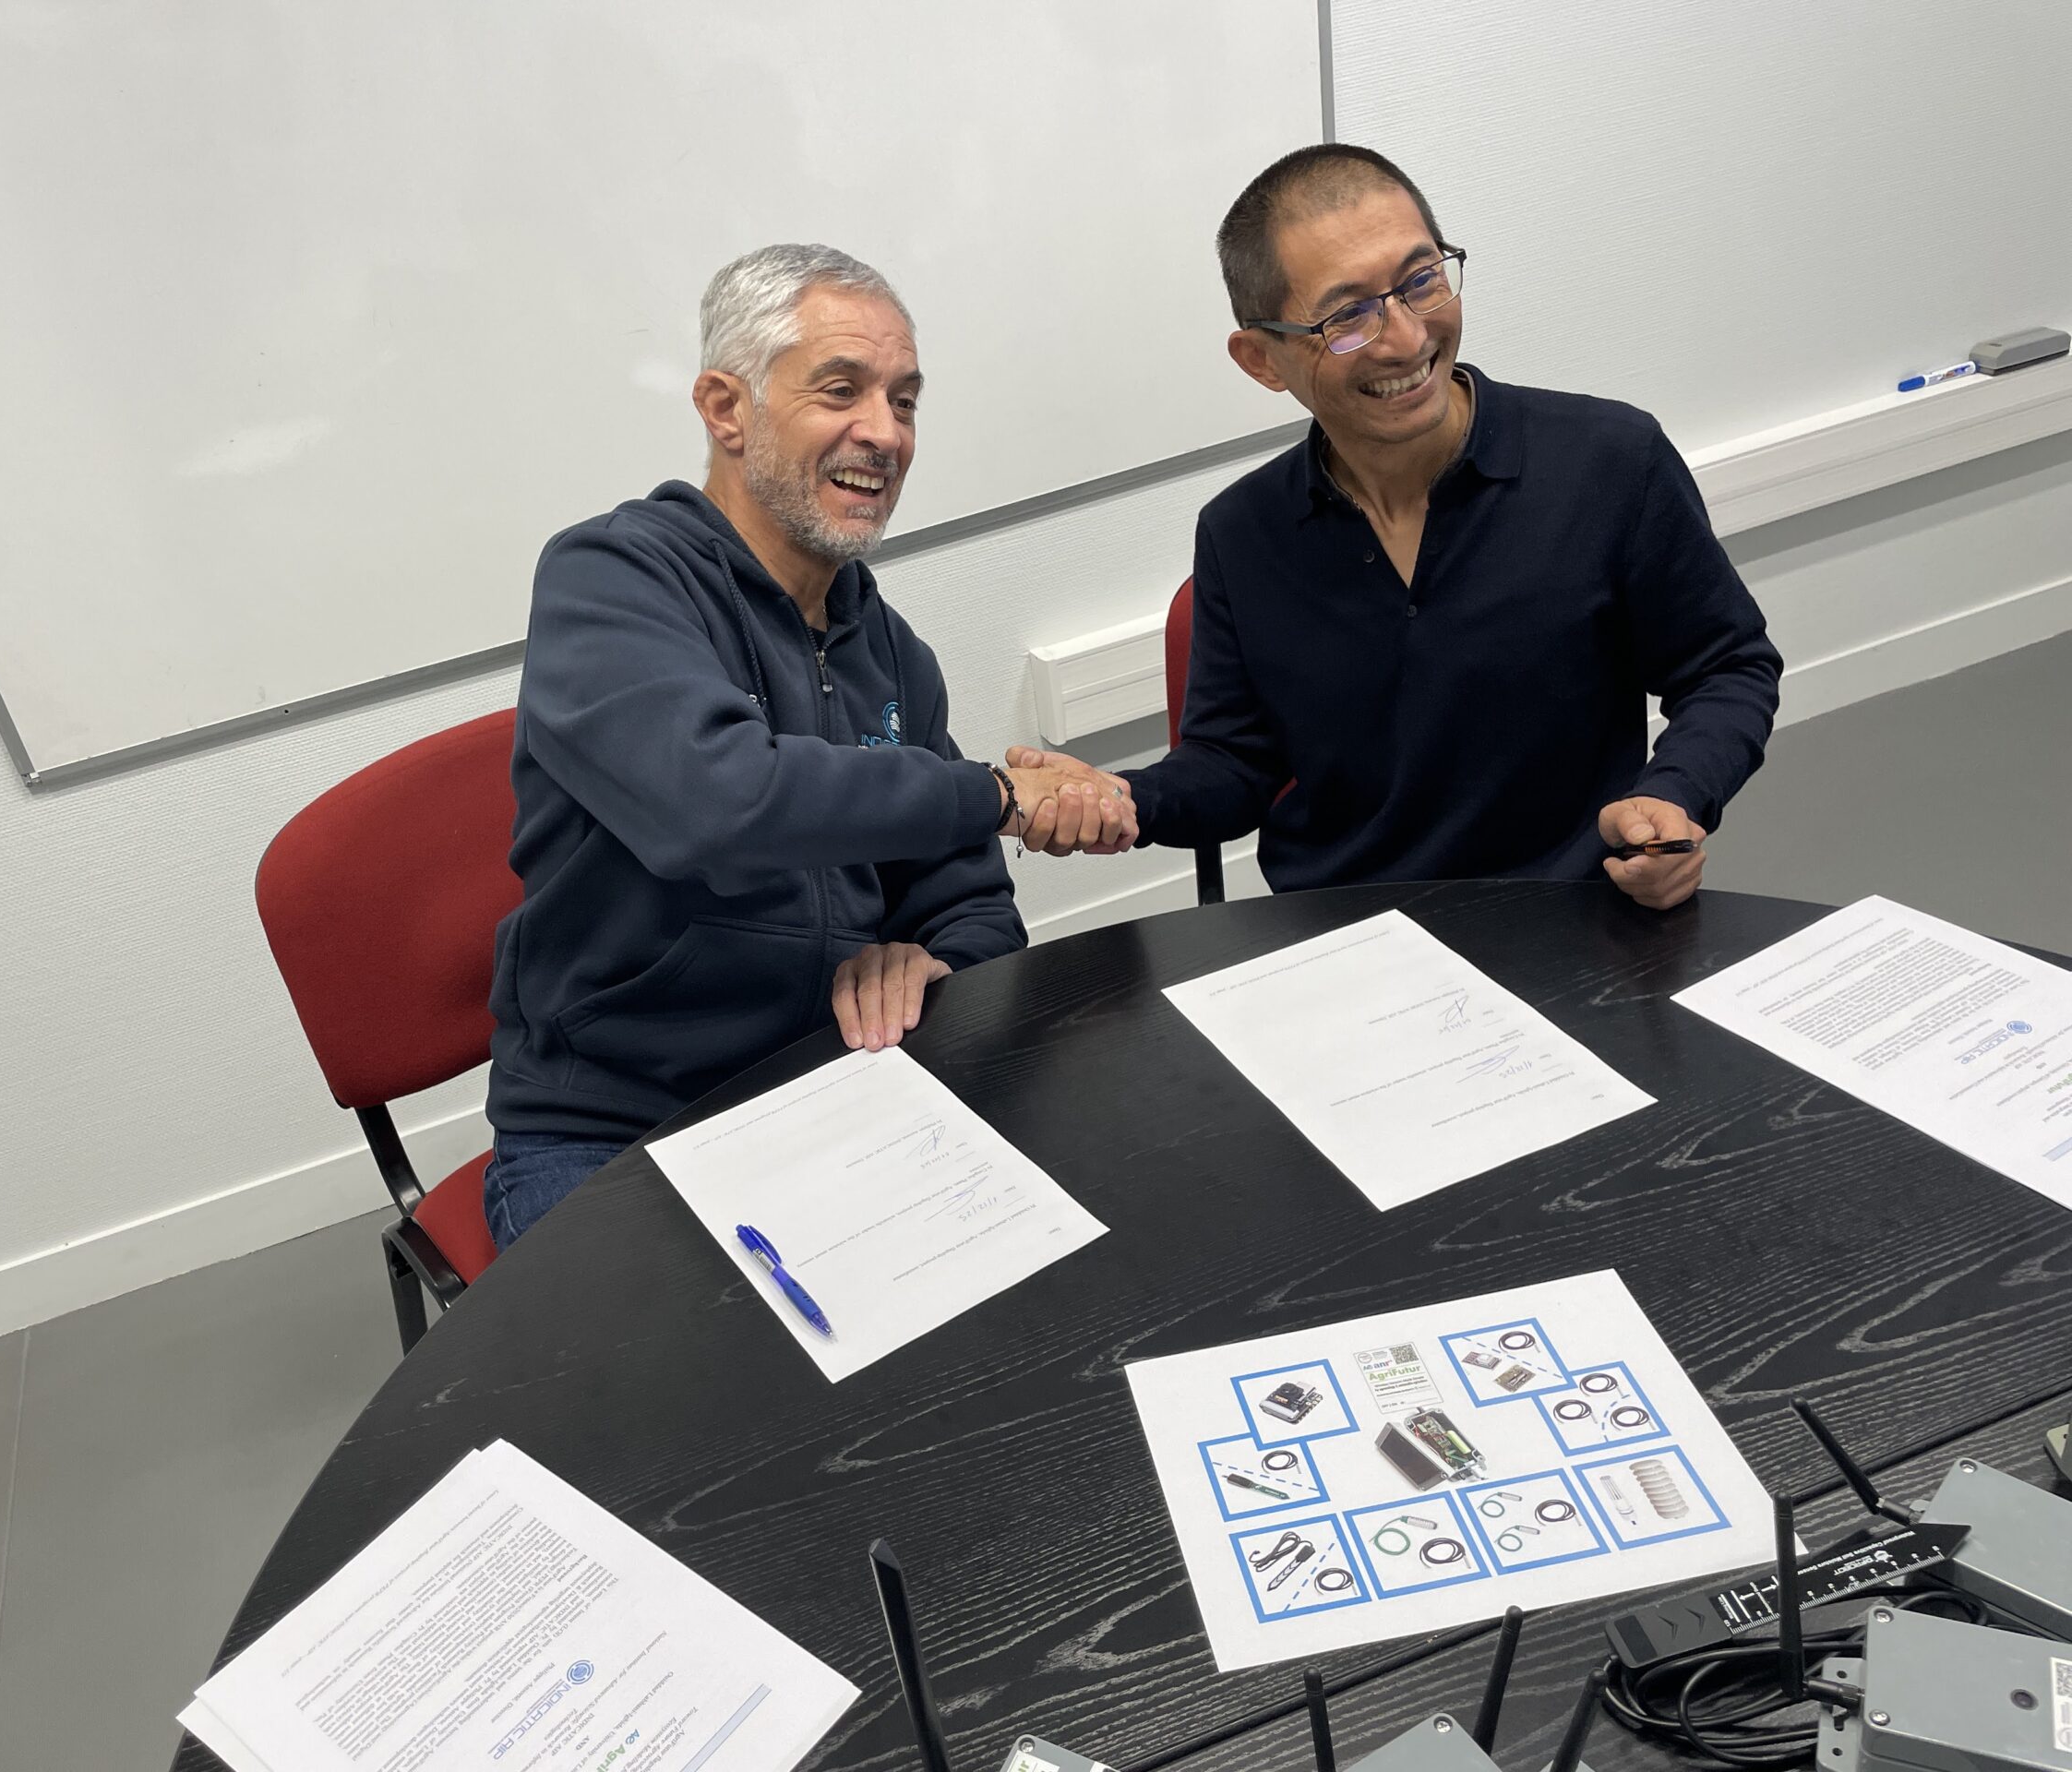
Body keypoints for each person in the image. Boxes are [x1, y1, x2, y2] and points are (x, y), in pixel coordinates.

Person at [484, 244, 1132, 1249]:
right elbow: (718, 806)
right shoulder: (607, 580)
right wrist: (999, 796)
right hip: (616, 1130)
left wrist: (932, 961)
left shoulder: (892, 652)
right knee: (693, 1355)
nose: (885, 433)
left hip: (836, 1087)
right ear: (725, 408)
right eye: (841, 390)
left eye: (905, 401)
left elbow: (971, 904)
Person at [1013, 145, 1779, 912]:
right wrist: (1122, 798)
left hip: (1574, 924)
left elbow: (1727, 666)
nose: (1408, 339)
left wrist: (1673, 797)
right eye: (1347, 316)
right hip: (1349, 939)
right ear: (1262, 360)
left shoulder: (1609, 461)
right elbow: (1234, 764)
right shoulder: (1241, 533)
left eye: (1422, 281)